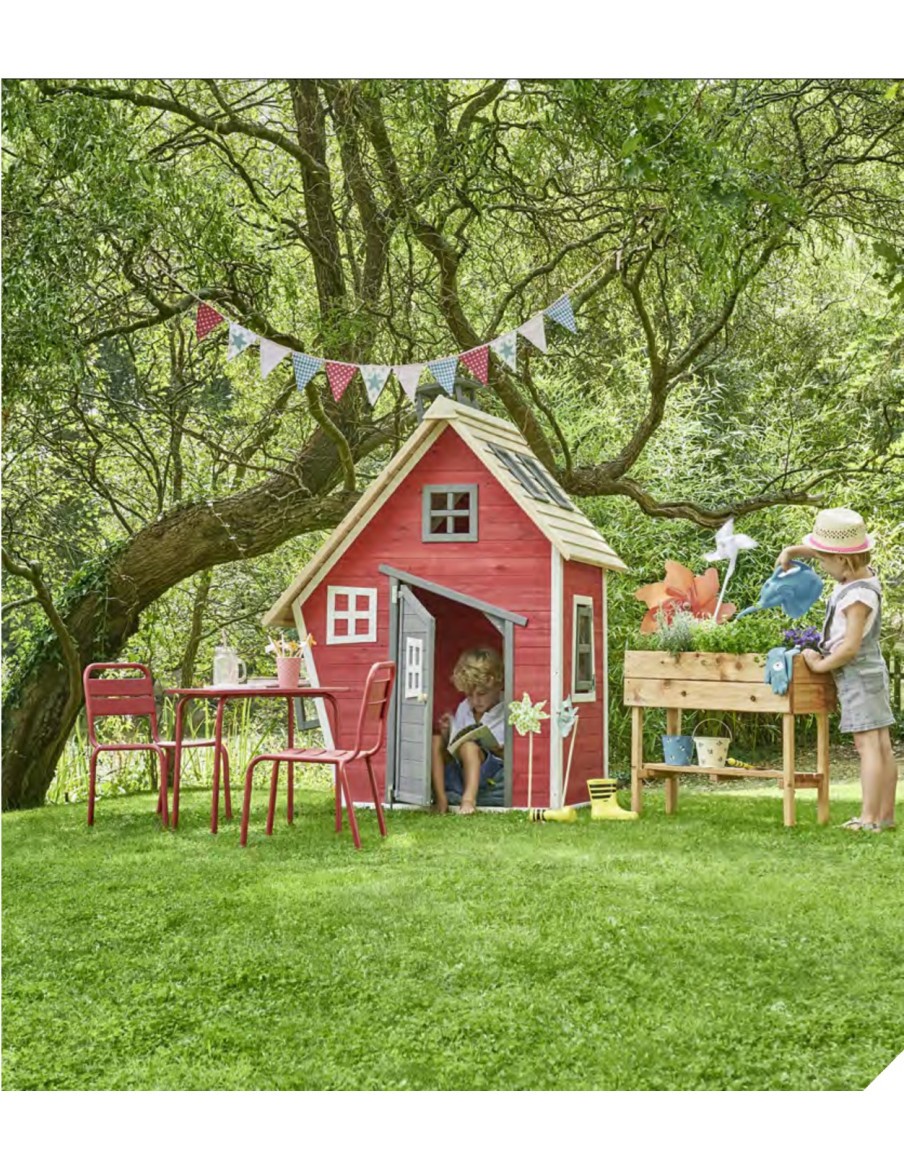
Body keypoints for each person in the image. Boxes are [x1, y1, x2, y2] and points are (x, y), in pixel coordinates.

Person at [778, 507, 898, 831]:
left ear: (843, 561)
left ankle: (870, 818)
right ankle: (885, 817)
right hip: (870, 671)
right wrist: (792, 551)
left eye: (823, 561)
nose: (819, 564)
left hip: (858, 672)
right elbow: (828, 553)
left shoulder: (857, 596)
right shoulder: (862, 574)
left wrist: (820, 665)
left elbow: (849, 647)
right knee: (881, 745)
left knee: (868, 746)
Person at [431, 647, 505, 816]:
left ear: (499, 685)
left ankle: (468, 802)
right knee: (435, 741)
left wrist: (501, 751)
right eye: (469, 695)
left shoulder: (507, 707)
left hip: (490, 771)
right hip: (460, 768)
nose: (475, 701)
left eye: (482, 694)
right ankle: (440, 800)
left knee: (469, 746)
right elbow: (456, 740)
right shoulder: (465, 707)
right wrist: (448, 732)